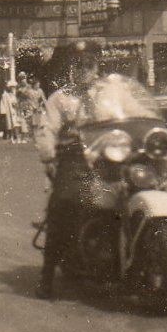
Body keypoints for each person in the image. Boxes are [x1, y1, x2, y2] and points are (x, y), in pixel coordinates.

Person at [34, 44, 102, 300]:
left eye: (89, 64)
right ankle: (47, 275)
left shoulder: (108, 94)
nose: (84, 69)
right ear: (71, 68)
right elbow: (47, 129)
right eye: (78, 64)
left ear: (96, 66)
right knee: (63, 204)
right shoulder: (60, 98)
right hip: (75, 157)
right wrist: (48, 156)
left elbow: (133, 112)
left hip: (108, 153)